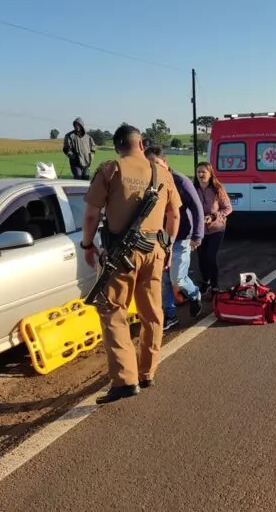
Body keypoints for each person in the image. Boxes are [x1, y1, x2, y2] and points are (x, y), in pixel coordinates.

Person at [80, 124, 181, 404]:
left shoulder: (111, 169)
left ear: (117, 146)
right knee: (153, 312)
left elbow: (90, 215)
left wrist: (87, 245)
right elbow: (174, 216)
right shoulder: (163, 172)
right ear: (141, 144)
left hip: (122, 254)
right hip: (155, 249)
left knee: (112, 310)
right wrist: (169, 245)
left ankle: (125, 380)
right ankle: (148, 371)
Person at [144, 145, 205, 329]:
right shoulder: (149, 182)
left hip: (181, 237)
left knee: (177, 278)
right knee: (163, 280)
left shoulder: (180, 181)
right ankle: (170, 315)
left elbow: (197, 208)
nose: (153, 167)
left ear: (165, 161)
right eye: (149, 164)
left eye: (155, 163)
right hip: (159, 238)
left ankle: (194, 293)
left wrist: (197, 235)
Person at [193, 161, 232, 294]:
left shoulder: (218, 189)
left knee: (211, 256)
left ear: (210, 174)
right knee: (202, 258)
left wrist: (214, 216)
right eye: (198, 172)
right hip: (200, 230)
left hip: (217, 229)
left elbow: (228, 208)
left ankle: (215, 285)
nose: (200, 174)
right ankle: (206, 282)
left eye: (203, 172)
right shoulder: (194, 189)